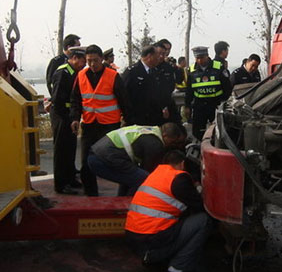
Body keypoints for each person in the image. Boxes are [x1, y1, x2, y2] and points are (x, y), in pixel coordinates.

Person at [125, 149, 211, 272]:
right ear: (182, 164)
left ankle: (156, 258)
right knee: (203, 221)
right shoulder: (179, 178)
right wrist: (199, 187)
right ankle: (179, 268)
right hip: (150, 244)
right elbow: (200, 206)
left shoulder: (156, 175)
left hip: (136, 241)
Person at [70, 44, 130, 196]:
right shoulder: (81, 75)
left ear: (102, 59)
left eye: (95, 60)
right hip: (89, 124)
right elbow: (75, 99)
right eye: (89, 61)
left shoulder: (113, 76)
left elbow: (124, 100)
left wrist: (127, 121)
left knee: (116, 160)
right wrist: (75, 118)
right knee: (86, 162)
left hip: (110, 125)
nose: (92, 64)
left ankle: (124, 191)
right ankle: (91, 193)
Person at [87, 123, 187, 196]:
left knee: (131, 175)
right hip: (102, 159)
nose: (173, 145)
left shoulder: (150, 130)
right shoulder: (155, 144)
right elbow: (150, 172)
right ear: (165, 136)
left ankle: (122, 202)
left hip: (97, 154)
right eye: (173, 142)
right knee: (143, 179)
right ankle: (129, 208)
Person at [48, 46, 86, 193]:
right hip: (61, 115)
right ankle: (61, 184)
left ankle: (70, 179)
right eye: (82, 62)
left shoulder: (74, 72)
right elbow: (57, 99)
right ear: (74, 58)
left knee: (70, 149)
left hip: (69, 116)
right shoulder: (63, 72)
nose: (83, 65)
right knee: (61, 150)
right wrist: (68, 117)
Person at [184, 46, 232, 140]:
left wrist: (223, 102)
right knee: (197, 132)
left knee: (219, 131)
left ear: (207, 56)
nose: (200, 60)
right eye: (197, 58)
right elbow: (189, 90)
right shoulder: (192, 70)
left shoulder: (218, 67)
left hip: (216, 104)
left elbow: (227, 87)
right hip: (199, 105)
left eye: (202, 57)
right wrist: (187, 105)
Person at [121, 45, 162, 125]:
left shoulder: (155, 72)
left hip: (152, 117)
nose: (159, 58)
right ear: (149, 56)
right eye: (157, 56)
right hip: (136, 117)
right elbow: (123, 95)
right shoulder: (132, 72)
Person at [153, 40, 181, 124]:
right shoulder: (150, 66)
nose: (166, 52)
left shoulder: (169, 66)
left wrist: (176, 68)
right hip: (154, 105)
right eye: (164, 49)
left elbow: (179, 80)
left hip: (168, 101)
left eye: (168, 50)